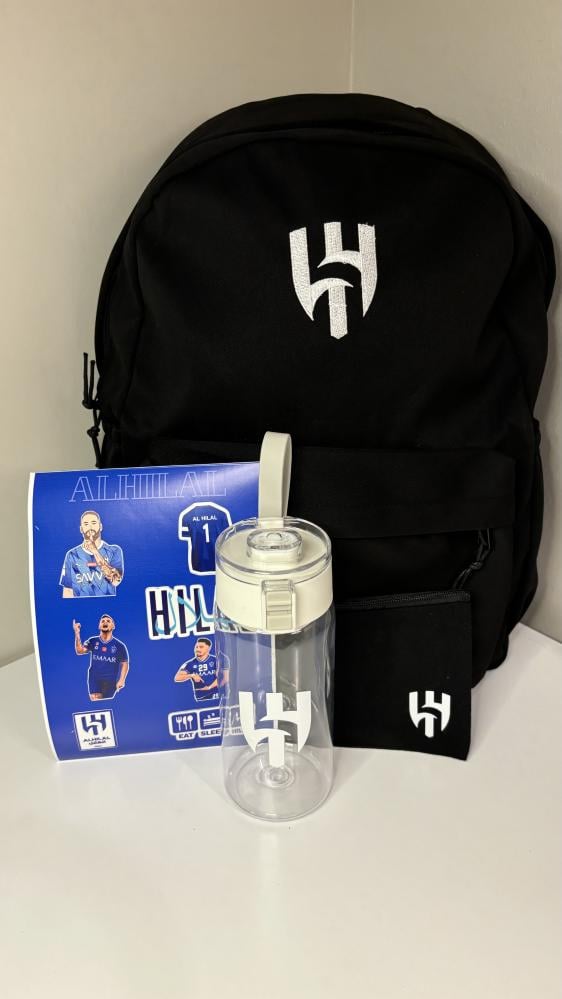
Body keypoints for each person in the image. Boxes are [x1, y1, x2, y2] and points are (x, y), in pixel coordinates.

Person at [60, 510, 124, 598]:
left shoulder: (114, 550)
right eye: (86, 524)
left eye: (93, 523)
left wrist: (95, 551)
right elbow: (68, 589)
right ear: (81, 529)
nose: (90, 527)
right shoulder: (72, 554)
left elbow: (116, 581)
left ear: (100, 526)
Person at [73, 615, 129, 701]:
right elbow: (79, 651)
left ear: (113, 626)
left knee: (107, 703)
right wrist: (77, 633)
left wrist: (122, 680)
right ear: (99, 626)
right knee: (96, 699)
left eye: (108, 621)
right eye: (102, 621)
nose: (105, 622)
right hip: (95, 678)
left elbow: (125, 663)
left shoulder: (120, 646)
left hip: (110, 681)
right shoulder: (92, 641)